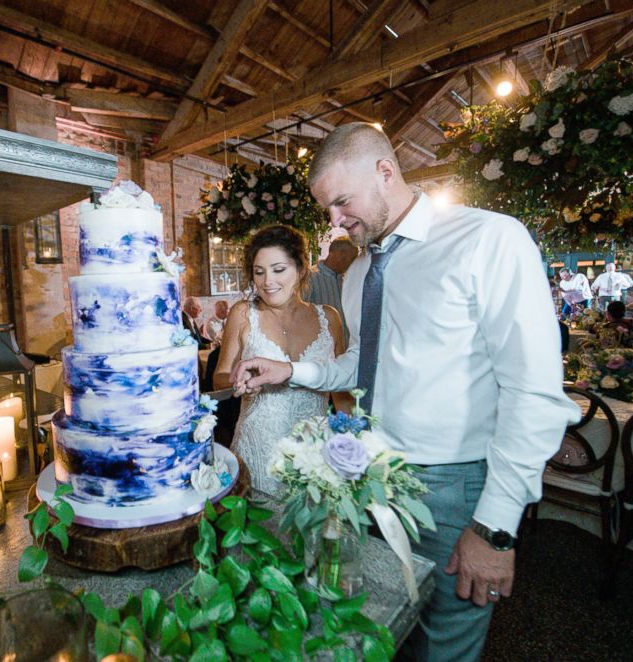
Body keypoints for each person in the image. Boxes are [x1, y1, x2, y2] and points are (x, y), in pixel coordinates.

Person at [229, 123, 578, 662]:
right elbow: (363, 367)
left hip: (452, 489)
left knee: (441, 647)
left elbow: (533, 392)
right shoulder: (360, 270)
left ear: (385, 173)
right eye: (327, 209)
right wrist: (290, 372)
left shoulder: (488, 240)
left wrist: (495, 527)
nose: (334, 222)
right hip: (369, 482)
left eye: (341, 203)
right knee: (376, 634)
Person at [212, 225, 346, 491]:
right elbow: (219, 378)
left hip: (314, 457)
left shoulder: (329, 318)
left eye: (278, 269)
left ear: (300, 268)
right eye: (259, 272)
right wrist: (239, 377)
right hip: (257, 453)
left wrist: (353, 445)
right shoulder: (242, 314)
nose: (267, 281)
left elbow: (342, 390)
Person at [307, 236, 359, 343]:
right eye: (353, 258)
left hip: (345, 347)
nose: (354, 263)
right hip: (321, 347)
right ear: (340, 255)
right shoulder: (310, 278)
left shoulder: (347, 280)